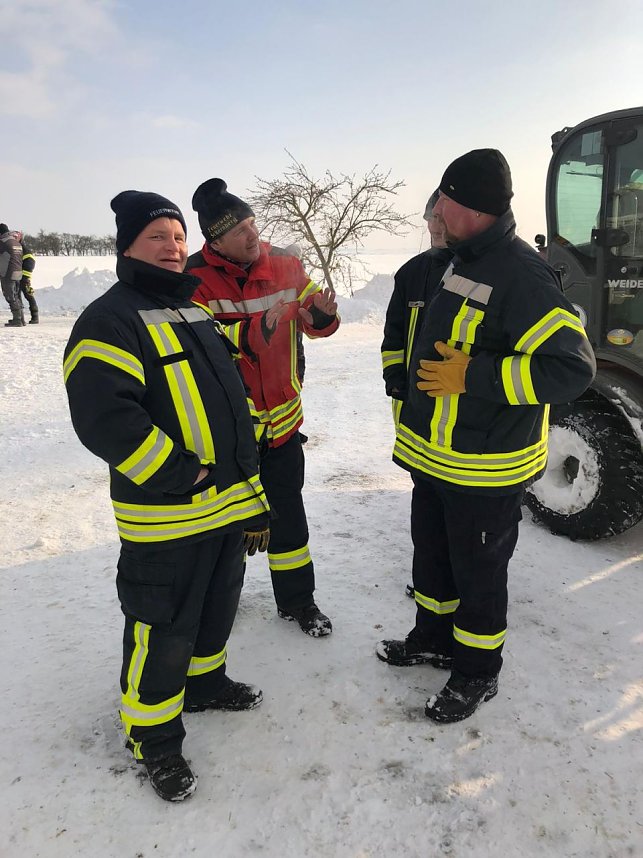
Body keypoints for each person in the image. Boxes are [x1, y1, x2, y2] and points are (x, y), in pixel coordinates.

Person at [63, 191, 271, 802]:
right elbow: (104, 419)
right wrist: (182, 474)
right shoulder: (109, 319)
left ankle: (205, 687)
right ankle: (152, 738)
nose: (173, 247)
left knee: (213, 610)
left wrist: (250, 493)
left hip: (224, 507)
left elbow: (230, 408)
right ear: (127, 246)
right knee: (162, 627)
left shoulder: (194, 312)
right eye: (158, 236)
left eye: (179, 237)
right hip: (168, 515)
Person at [376, 149, 596, 722]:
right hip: (436, 457)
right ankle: (432, 636)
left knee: (478, 575)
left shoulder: (522, 272)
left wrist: (471, 376)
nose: (436, 210)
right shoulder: (459, 258)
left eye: (444, 200)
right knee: (433, 557)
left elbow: (571, 367)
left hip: (483, 465)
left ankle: (476, 672)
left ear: (468, 206)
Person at [187, 179, 340, 637]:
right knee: (228, 529)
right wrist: (258, 327)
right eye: (240, 232)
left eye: (254, 224)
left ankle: (298, 602)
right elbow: (202, 344)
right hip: (230, 435)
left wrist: (320, 315)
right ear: (215, 241)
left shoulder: (286, 263)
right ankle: (217, 610)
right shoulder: (194, 279)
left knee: (289, 521)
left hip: (285, 427)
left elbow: (315, 319)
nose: (253, 236)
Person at [381, 190, 453, 599]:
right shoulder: (411, 273)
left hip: (462, 421)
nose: (437, 227)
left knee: (455, 511)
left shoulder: (480, 272)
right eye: (431, 218)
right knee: (426, 507)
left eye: (444, 218)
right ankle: (430, 584)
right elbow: (393, 335)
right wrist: (395, 375)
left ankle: (451, 584)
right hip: (415, 417)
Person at [0, 223, 25, 327]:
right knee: (16, 295)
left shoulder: (3, 242)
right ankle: (21, 319)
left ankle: (17, 320)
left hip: (7, 273)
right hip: (18, 272)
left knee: (10, 296)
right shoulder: (16, 242)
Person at [18, 237, 39, 323]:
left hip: (24, 277)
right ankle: (20, 318)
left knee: (28, 295)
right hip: (20, 276)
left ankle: (35, 317)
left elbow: (30, 263)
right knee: (19, 296)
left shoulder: (25, 251)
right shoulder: (20, 249)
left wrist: (24, 276)